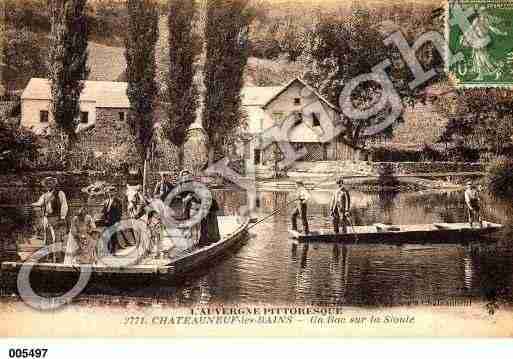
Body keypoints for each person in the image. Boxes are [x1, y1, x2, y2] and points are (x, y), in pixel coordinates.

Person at [32, 176, 69, 246]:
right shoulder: (44, 195)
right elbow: (39, 203)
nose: (48, 185)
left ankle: (57, 256)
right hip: (47, 218)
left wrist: (62, 217)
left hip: (56, 218)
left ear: (54, 184)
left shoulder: (60, 193)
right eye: (47, 183)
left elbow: (64, 205)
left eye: (50, 183)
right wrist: (30, 204)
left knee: (56, 238)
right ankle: (49, 256)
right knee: (47, 238)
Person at [101, 185, 123, 254]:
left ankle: (113, 250)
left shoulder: (118, 201)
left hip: (114, 221)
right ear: (108, 193)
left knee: (113, 235)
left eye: (112, 192)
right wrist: (103, 219)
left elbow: (119, 213)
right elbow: (103, 211)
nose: (110, 193)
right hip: (107, 221)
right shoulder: (106, 201)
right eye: (109, 192)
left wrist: (118, 222)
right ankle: (107, 250)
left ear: (114, 192)